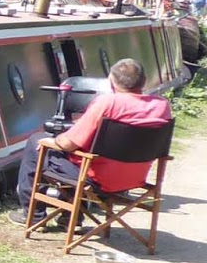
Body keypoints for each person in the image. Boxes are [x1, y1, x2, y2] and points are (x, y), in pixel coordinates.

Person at [9, 57, 173, 226]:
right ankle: (70, 219)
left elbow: (68, 144)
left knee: (37, 143)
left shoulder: (107, 103)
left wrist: (54, 139)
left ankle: (34, 216)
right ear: (144, 82)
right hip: (134, 179)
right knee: (80, 158)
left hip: (96, 180)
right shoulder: (162, 105)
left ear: (111, 81)